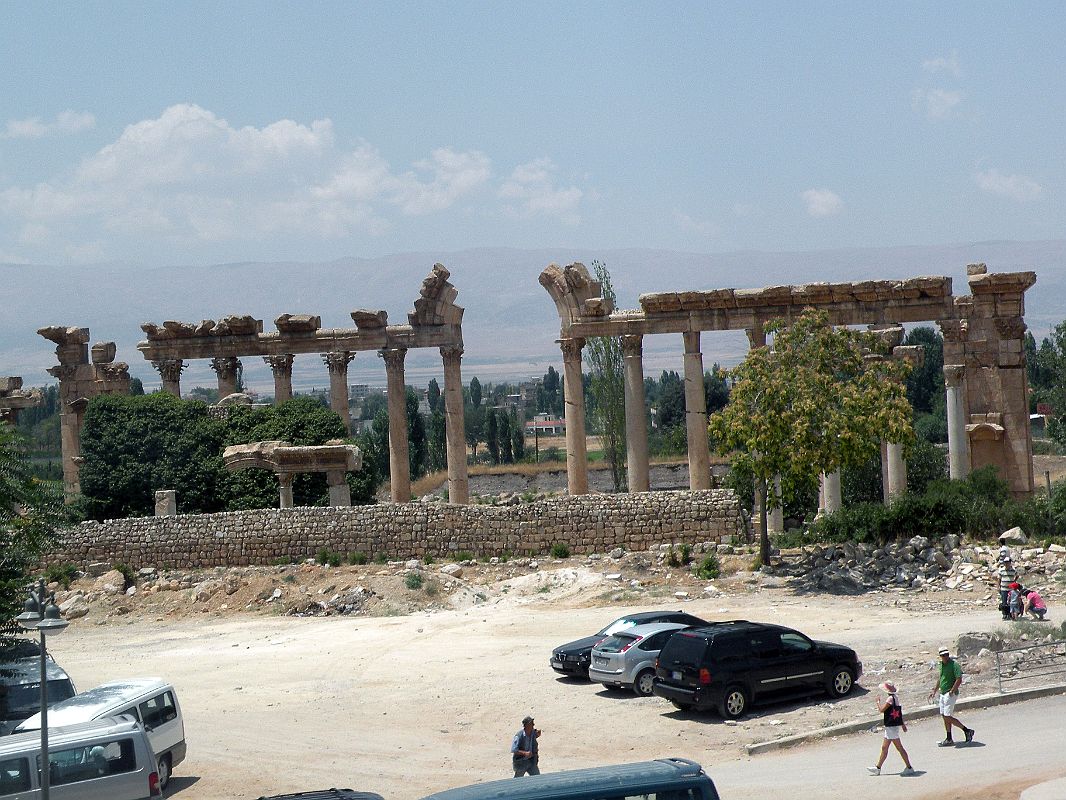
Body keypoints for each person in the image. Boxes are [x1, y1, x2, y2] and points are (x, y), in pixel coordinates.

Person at [867, 681, 915, 776]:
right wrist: (902, 724)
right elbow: (898, 713)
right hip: (891, 726)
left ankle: (909, 767)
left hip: (891, 727)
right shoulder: (895, 698)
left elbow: (881, 710)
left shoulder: (890, 699)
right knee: (885, 747)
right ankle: (878, 767)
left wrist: (877, 702)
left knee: (899, 748)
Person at [929, 648, 974, 746]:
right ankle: (949, 738)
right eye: (943, 655)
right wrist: (934, 690)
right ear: (940, 656)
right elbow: (940, 678)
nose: (945, 657)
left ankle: (966, 730)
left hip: (950, 694)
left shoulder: (954, 665)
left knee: (947, 716)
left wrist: (952, 691)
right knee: (944, 716)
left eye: (946, 655)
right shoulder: (941, 665)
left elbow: (959, 678)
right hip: (942, 693)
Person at [998, 555, 1019, 620]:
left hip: (1011, 589)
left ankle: (1010, 614)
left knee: (1011, 602)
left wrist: (1014, 582)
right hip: (1003, 589)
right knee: (1004, 602)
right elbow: (999, 579)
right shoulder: (1001, 570)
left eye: (1008, 562)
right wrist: (998, 587)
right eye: (1005, 562)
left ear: (1010, 562)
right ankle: (1004, 614)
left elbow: (1017, 575)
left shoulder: (1013, 570)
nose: (1006, 563)